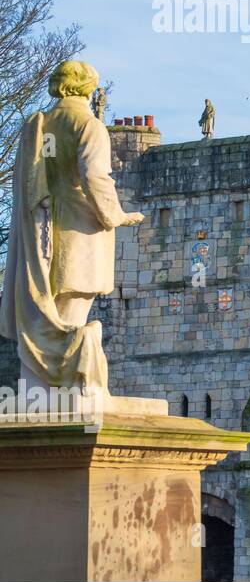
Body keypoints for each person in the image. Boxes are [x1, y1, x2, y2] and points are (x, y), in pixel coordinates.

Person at [0, 60, 145, 393]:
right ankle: (65, 383)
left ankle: (38, 385)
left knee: (47, 305)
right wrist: (116, 216)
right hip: (79, 228)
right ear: (88, 88)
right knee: (72, 311)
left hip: (42, 229)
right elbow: (94, 177)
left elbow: (39, 175)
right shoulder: (88, 124)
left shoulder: (41, 126)